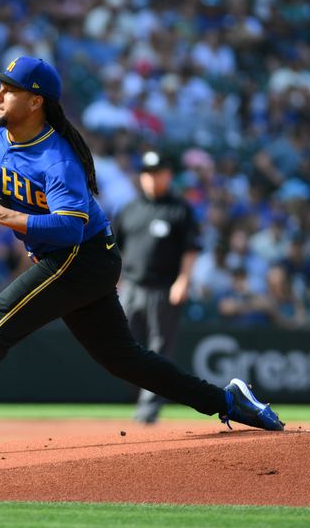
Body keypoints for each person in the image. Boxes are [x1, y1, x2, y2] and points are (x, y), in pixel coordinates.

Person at [0, 56, 284, 458]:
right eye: (0, 86)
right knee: (125, 361)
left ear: (36, 102)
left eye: (9, 88)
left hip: (80, 256)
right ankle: (229, 402)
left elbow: (70, 227)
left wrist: (0, 216)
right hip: (76, 259)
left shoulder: (56, 158)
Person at [112, 151, 202, 424]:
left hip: (164, 288)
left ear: (168, 175)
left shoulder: (179, 209)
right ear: (142, 176)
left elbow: (191, 249)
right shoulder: (129, 210)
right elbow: (115, 250)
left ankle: (149, 409)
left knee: (159, 348)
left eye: (157, 172)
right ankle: (140, 399)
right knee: (125, 346)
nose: (152, 178)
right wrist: (115, 283)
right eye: (148, 173)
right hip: (131, 287)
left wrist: (183, 280)